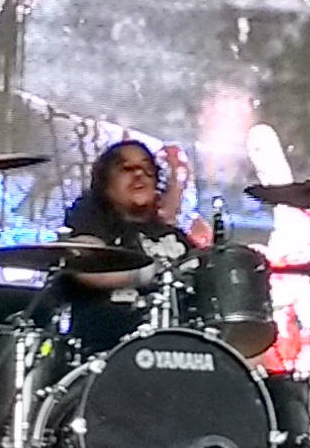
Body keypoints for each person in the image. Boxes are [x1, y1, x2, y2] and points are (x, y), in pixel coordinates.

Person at [53, 138, 209, 353]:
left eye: (147, 169)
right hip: (108, 352)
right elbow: (86, 265)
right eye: (126, 168)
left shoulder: (177, 237)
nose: (139, 175)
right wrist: (150, 272)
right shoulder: (90, 219)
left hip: (179, 351)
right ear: (105, 183)